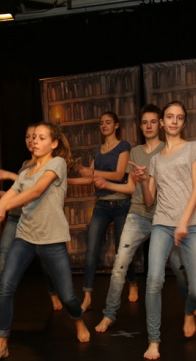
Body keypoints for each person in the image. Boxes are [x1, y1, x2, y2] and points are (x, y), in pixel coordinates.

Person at [0, 122, 90, 361]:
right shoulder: (25, 174)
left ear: (54, 143)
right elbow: (3, 201)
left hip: (52, 240)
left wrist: (4, 206)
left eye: (42, 138)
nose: (35, 141)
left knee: (67, 296)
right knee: (5, 286)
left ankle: (78, 320)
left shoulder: (57, 163)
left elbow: (36, 192)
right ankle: (2, 344)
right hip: (25, 237)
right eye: (34, 137)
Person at [136, 101, 196, 360]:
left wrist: (184, 222)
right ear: (162, 122)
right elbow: (149, 201)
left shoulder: (193, 148)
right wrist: (143, 180)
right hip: (162, 224)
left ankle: (188, 311)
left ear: (183, 122)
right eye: (169, 117)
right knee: (153, 281)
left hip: (192, 224)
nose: (174, 121)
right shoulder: (156, 160)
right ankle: (153, 341)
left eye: (179, 117)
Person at [0, 124, 62, 327]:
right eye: (28, 137)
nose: (31, 140)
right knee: (3, 261)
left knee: (47, 265)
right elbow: (19, 193)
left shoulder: (52, 163)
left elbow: (35, 188)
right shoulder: (25, 164)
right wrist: (0, 195)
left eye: (36, 137)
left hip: (38, 220)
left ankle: (53, 293)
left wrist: (9, 176)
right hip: (16, 217)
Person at [94, 104, 166, 333]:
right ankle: (109, 315)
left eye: (152, 122)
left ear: (160, 124)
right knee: (119, 265)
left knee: (178, 266)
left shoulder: (167, 150)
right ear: (140, 126)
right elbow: (129, 188)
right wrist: (107, 184)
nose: (148, 126)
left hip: (164, 217)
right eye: (144, 122)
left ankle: (189, 305)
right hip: (137, 214)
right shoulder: (135, 152)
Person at [69, 111, 133, 312]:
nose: (104, 126)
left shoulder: (124, 146)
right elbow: (90, 178)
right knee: (91, 250)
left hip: (122, 204)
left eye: (108, 122)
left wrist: (93, 172)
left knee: (123, 250)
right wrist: (67, 180)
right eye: (101, 123)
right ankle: (87, 296)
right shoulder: (98, 150)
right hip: (102, 205)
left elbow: (119, 174)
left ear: (116, 125)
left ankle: (132, 283)